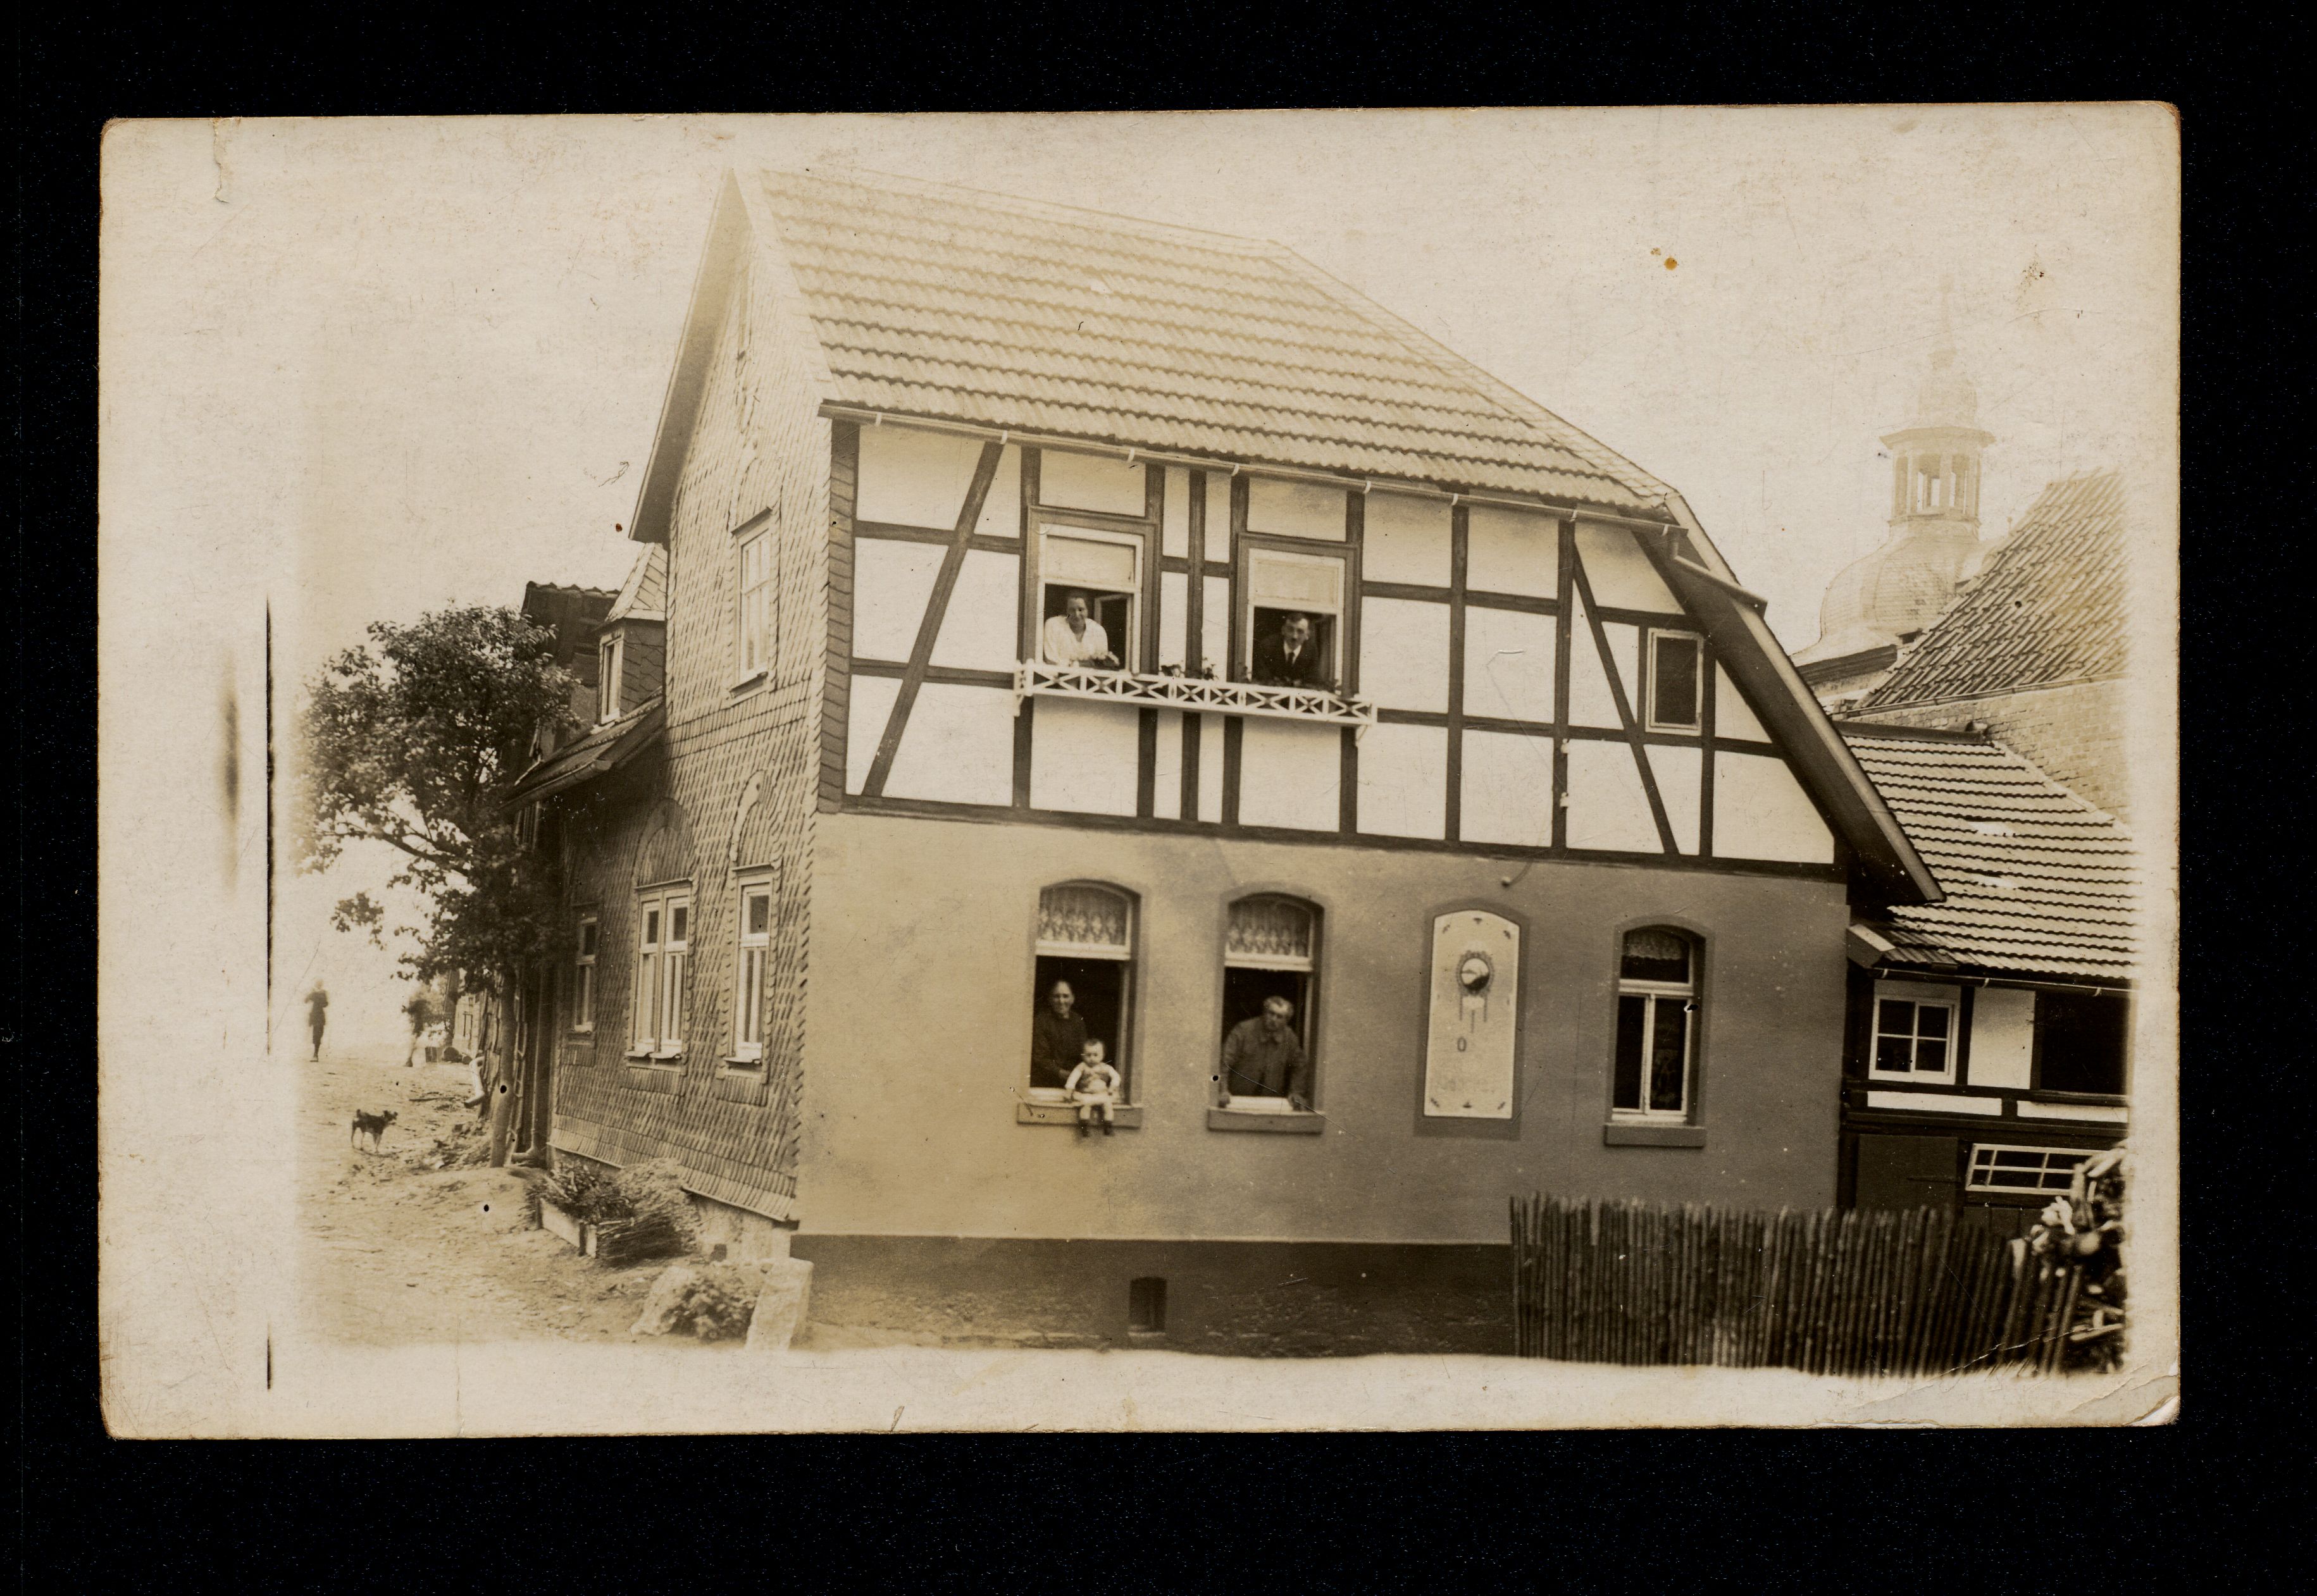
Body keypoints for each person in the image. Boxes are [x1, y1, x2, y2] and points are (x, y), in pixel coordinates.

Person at [1218, 994, 1309, 1109]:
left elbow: (1300, 1066)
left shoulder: (1290, 1038)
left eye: (1280, 1017)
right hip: (1236, 1100)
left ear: (1286, 1021)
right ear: (1264, 1013)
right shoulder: (1243, 1030)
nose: (1274, 1019)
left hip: (1271, 1103)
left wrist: (1296, 1092)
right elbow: (1224, 1061)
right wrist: (1223, 1090)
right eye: (1271, 1014)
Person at [1030, 980, 1090, 1090]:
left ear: (1073, 999)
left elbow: (1084, 1052)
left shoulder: (1078, 1021)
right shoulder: (1041, 1021)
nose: (1061, 1001)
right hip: (1046, 1082)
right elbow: (1040, 1057)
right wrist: (1060, 1072)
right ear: (1050, 999)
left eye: (1066, 996)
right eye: (1056, 996)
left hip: (1074, 1079)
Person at [1041, 590, 1120, 669]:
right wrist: (1082, 664)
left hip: (1090, 676)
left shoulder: (1098, 630)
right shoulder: (1054, 625)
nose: (1077, 614)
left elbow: (1101, 664)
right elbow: (1051, 660)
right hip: (1058, 676)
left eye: (1081, 609)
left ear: (1088, 610)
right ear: (1066, 611)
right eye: (1072, 610)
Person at [1252, 612, 1329, 690]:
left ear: (1307, 635)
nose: (1295, 636)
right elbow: (1262, 677)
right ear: (1283, 630)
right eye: (1290, 630)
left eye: (1300, 631)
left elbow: (1313, 679)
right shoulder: (1268, 646)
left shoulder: (1310, 651)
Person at [1064, 1039, 1123, 1137]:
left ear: (1102, 1056)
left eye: (1095, 1055)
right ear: (1083, 1056)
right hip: (1087, 1094)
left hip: (1101, 1094)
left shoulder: (1105, 1067)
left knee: (1108, 1105)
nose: (1092, 1058)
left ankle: (1108, 1125)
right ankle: (1084, 1127)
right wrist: (1069, 1091)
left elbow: (1116, 1077)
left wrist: (1112, 1087)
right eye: (1088, 1055)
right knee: (1085, 1105)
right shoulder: (1082, 1067)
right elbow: (1072, 1079)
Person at [303, 980, 330, 1061]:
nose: (318, 985)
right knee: (316, 1035)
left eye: (319, 984)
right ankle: (315, 1055)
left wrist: (316, 995)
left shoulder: (323, 993)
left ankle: (316, 1055)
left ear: (321, 985)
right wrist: (312, 994)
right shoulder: (314, 993)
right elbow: (306, 1001)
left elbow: (325, 1004)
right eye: (317, 984)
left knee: (319, 1035)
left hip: (320, 1017)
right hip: (315, 1017)